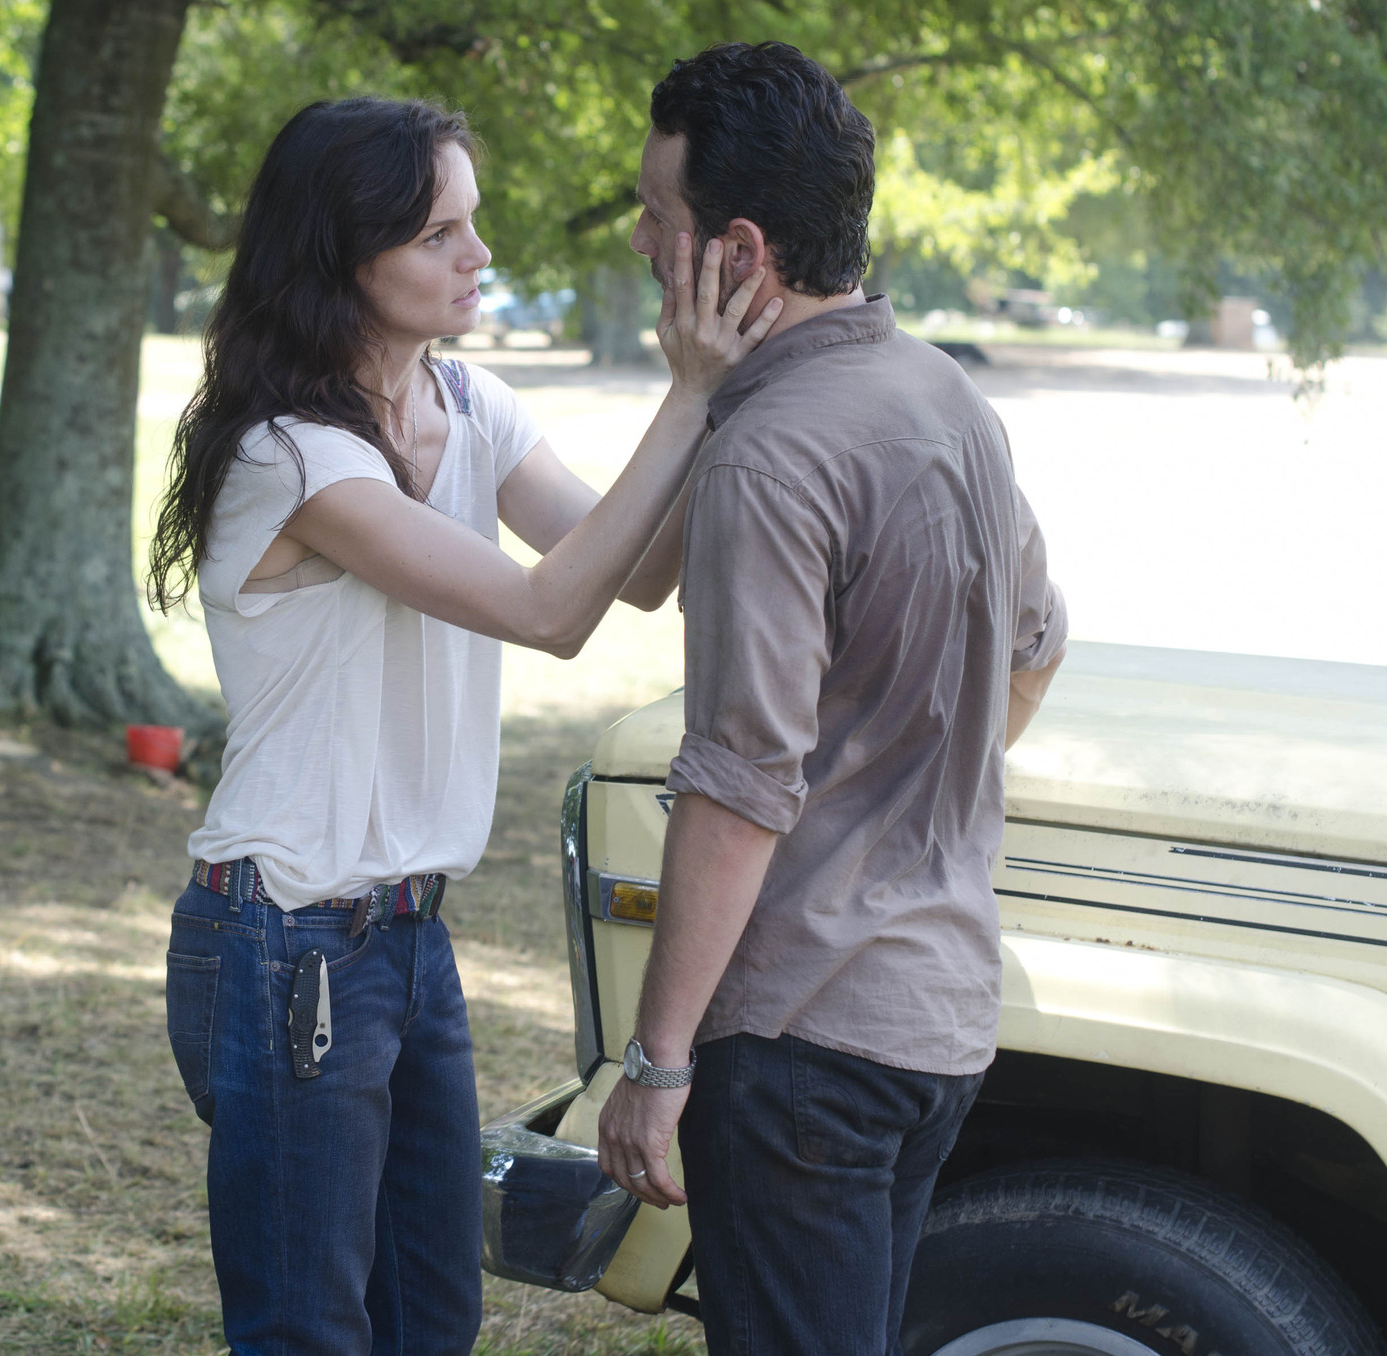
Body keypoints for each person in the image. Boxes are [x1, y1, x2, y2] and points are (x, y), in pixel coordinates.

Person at [147, 97, 779, 1355]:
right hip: (286, 938)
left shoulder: (469, 407)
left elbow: (637, 571)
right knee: (309, 1328)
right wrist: (687, 389)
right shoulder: (291, 455)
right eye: (440, 233)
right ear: (343, 252)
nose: (475, 256)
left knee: (431, 1317)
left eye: (471, 225)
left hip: (405, 938)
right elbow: (549, 611)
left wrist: (740, 392)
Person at [594, 42, 1068, 1356]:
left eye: (656, 214)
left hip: (800, 1038)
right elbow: (1036, 646)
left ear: (736, 251)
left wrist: (657, 1063)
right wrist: (903, 800)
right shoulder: (942, 397)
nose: (639, 237)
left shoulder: (774, 454)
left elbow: (742, 776)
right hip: (935, 1025)